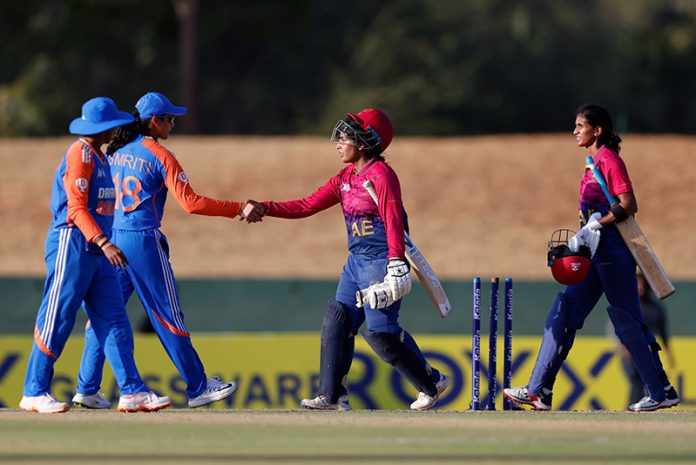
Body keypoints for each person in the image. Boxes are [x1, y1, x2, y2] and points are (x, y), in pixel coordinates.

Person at [243, 109, 449, 411]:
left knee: (380, 335)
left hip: (381, 262)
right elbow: (306, 205)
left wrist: (395, 264)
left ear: (365, 141)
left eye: (346, 136)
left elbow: (393, 219)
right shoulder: (345, 177)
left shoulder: (381, 174)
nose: (339, 141)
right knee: (336, 319)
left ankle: (431, 382)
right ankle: (332, 396)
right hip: (355, 263)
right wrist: (266, 207)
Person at [75, 92, 251, 408]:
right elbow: (191, 203)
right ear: (154, 122)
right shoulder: (159, 153)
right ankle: (198, 387)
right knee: (167, 314)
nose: (173, 124)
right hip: (142, 241)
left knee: (104, 313)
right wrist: (237, 207)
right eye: (170, 119)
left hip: (112, 239)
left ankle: (86, 388)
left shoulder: (114, 153)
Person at [503, 104, 679, 412]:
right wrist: (585, 233)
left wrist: (597, 224)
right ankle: (539, 390)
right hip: (594, 254)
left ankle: (661, 390)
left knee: (628, 322)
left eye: (580, 126)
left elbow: (628, 204)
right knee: (563, 313)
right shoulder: (592, 162)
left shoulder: (609, 159)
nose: (575, 131)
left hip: (614, 256)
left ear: (597, 130)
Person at [21, 97, 172, 413]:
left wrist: (103, 244)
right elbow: (75, 207)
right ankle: (34, 390)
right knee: (58, 315)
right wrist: (104, 242)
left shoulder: (101, 158)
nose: (118, 127)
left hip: (97, 250)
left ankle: (132, 391)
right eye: (113, 123)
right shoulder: (80, 154)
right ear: (103, 127)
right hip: (73, 242)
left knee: (113, 316)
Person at [616, 273, 676, 405]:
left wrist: (669, 353)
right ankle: (632, 409)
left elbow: (663, 332)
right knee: (635, 382)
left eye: (642, 284)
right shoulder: (628, 305)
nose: (639, 287)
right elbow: (618, 328)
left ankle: (642, 407)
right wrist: (623, 347)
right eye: (636, 283)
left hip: (649, 352)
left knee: (647, 382)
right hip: (630, 351)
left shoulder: (655, 308)